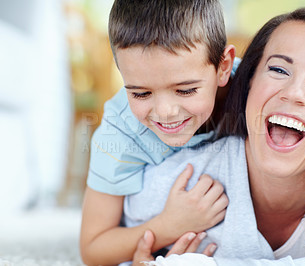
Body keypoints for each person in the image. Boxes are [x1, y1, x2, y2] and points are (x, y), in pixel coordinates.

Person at [123, 7, 305, 266]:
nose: (293, 93)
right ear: (249, 83)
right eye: (278, 69)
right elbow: (115, 242)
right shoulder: (187, 180)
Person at [79, 0, 236, 265]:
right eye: (140, 93)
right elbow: (93, 247)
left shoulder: (254, 91)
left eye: (185, 90)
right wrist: (167, 226)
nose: (164, 112)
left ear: (223, 67)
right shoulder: (120, 129)